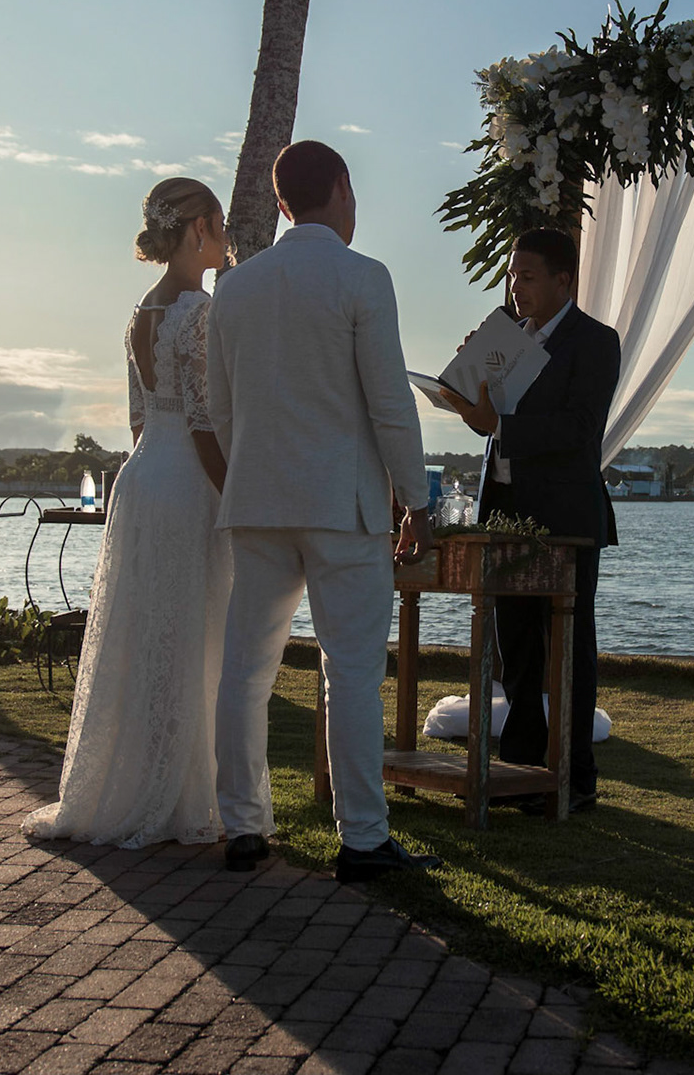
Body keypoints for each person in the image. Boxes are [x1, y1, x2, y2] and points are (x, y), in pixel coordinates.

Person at [206, 139, 441, 882]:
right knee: (351, 672)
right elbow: (390, 404)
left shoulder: (236, 288)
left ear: (281, 202)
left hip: (259, 498)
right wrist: (417, 498)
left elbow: (220, 408)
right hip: (343, 505)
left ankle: (243, 826)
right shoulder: (362, 277)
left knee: (246, 669)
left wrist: (252, 471)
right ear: (340, 188)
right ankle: (363, 839)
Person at [23, 178, 232, 848]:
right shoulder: (197, 310)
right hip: (188, 483)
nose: (225, 237)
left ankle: (139, 781)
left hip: (143, 481)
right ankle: (176, 797)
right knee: (189, 632)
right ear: (197, 227)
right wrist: (235, 496)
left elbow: (141, 423)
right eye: (220, 223)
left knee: (148, 633)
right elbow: (203, 424)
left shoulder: (142, 311)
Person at [443, 228, 620, 813]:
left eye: (527, 277)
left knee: (567, 648)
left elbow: (579, 429)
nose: (515, 287)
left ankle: (574, 776)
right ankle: (517, 771)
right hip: (503, 509)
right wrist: (465, 396)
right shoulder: (503, 335)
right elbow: (486, 424)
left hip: (564, 516)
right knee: (514, 646)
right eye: (512, 275)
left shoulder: (595, 341)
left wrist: (498, 423)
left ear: (563, 281)